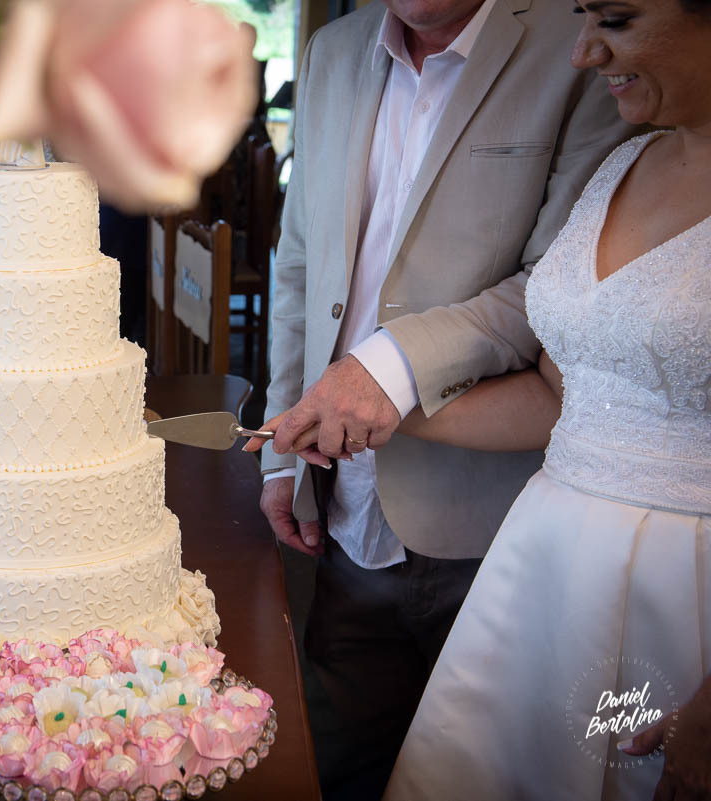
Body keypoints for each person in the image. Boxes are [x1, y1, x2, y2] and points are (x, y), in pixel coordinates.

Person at [243, 0, 639, 796]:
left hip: (492, 521)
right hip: (343, 506)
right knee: (335, 767)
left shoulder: (585, 49)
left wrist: (392, 365)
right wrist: (282, 460)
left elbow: (561, 285)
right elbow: (298, 265)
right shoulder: (330, 51)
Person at [374, 0, 711, 796]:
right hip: (542, 575)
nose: (582, 53)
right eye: (584, 15)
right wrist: (383, 406)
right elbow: (564, 398)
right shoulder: (624, 164)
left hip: (681, 602)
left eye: (618, 21)